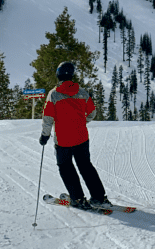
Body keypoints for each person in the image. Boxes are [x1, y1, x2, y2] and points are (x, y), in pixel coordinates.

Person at [39, 61, 111, 210]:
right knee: (86, 166)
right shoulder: (82, 92)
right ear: (71, 75)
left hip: (63, 140)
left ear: (58, 74)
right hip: (81, 137)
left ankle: (78, 198)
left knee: (66, 168)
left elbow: (48, 118)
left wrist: (45, 135)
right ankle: (99, 197)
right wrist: (81, 122)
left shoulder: (54, 94)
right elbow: (92, 112)